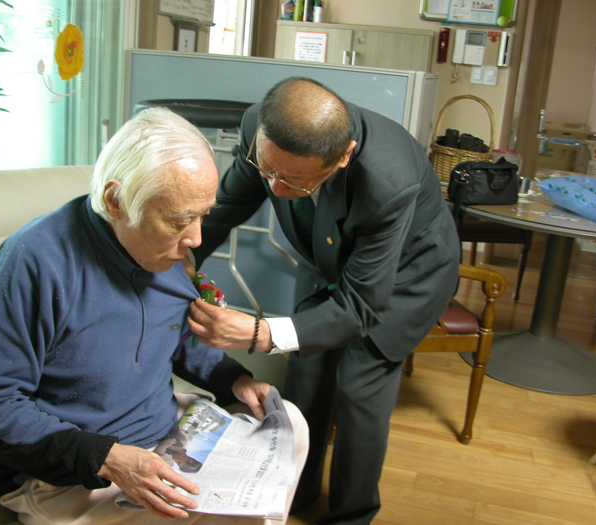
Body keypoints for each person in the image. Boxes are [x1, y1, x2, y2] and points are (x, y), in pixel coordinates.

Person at [0, 107, 308, 525]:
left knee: (288, 424)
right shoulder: (34, 261)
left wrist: (234, 380)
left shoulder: (164, 251)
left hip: (167, 436)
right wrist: (108, 458)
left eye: (203, 215)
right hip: (78, 474)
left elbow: (178, 337)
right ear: (115, 200)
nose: (196, 238)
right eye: (180, 220)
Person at [187, 77, 461, 525]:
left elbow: (360, 307)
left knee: (359, 385)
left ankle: (352, 514)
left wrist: (261, 333)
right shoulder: (260, 126)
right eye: (267, 169)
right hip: (338, 254)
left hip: (410, 273)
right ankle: (295, 490)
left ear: (344, 156)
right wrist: (183, 257)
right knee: (307, 366)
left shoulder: (388, 181)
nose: (275, 188)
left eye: (294, 181)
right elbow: (228, 206)